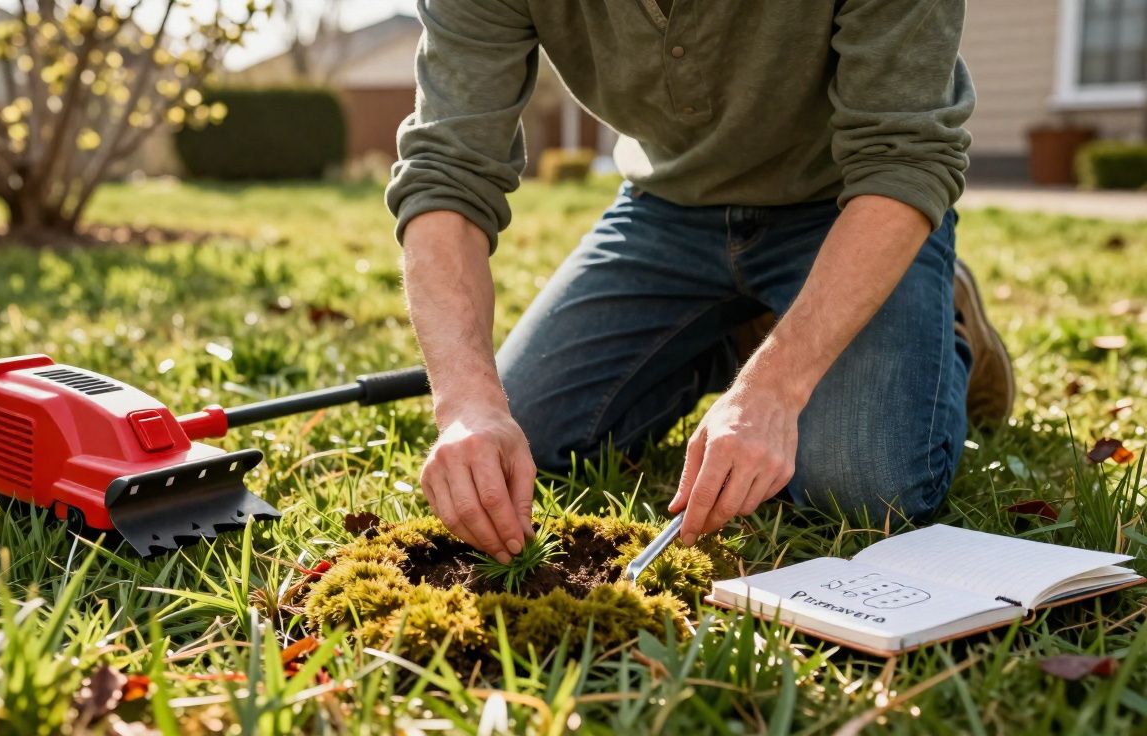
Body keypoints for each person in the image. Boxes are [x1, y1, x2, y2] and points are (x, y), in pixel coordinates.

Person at [386, 0, 1015, 564]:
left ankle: (939, 311)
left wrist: (773, 391)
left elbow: (904, 158)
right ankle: (738, 331)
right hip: (667, 209)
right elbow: (446, 174)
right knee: (528, 440)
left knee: (864, 487)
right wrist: (467, 404)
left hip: (849, 205)